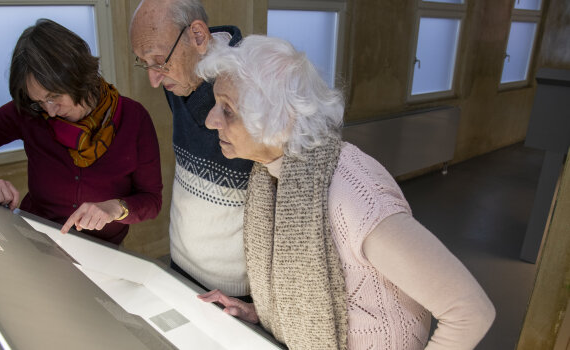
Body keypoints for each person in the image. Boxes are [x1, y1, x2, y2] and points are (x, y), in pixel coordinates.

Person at [195, 35, 496, 350]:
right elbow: (324, 303)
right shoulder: (271, 176)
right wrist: (263, 314)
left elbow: (471, 312)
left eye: (227, 109)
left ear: (277, 118)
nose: (210, 120)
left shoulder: (354, 194)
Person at [0, 19, 162, 245]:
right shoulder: (30, 113)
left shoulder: (134, 119)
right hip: (36, 238)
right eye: (38, 102)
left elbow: (151, 200)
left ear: (79, 77)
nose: (50, 111)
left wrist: (115, 208)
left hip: (102, 250)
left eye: (53, 97)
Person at [130, 0, 253, 301]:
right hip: (181, 268)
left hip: (236, 292)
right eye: (143, 63)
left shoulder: (251, 84)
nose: (153, 78)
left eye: (159, 61)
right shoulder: (179, 82)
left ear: (198, 36)